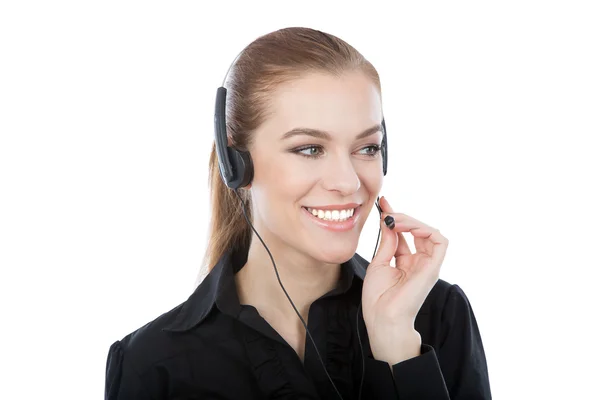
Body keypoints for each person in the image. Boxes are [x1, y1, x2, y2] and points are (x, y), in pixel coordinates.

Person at [104, 27, 491, 399]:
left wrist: (398, 351)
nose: (348, 182)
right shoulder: (151, 363)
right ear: (236, 163)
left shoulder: (436, 315)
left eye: (367, 148)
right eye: (309, 149)